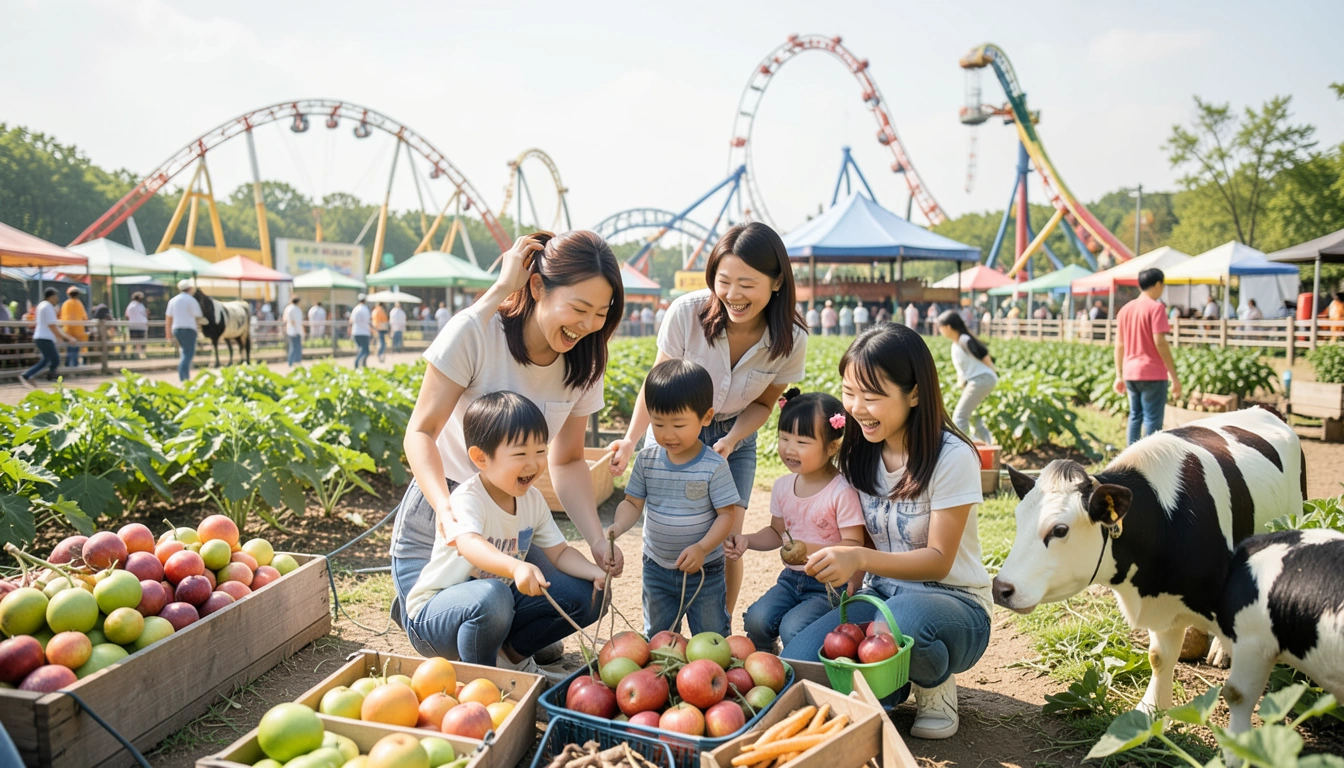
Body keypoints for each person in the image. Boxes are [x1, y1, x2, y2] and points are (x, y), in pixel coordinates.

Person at [390, 231, 623, 675]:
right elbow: (420, 431)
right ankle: (433, 615)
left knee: (584, 593)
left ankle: (510, 656)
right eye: (578, 308)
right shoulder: (476, 331)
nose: (588, 325)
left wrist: (596, 539)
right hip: (445, 511)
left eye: (601, 313)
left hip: (509, 519)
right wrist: (445, 509)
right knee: (489, 602)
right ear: (537, 287)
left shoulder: (587, 360)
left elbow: (569, 459)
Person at [782, 323, 991, 740]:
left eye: (872, 396)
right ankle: (889, 687)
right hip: (881, 598)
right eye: (849, 392)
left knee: (904, 624)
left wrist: (858, 558)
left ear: (914, 393)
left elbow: (939, 559)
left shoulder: (952, 456)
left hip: (953, 604)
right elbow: (853, 532)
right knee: (795, 668)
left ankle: (934, 684)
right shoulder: (861, 450)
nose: (858, 408)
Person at [610, 222, 807, 618]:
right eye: (724, 281)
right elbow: (656, 387)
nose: (733, 295)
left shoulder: (791, 338)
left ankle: (721, 630)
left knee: (729, 537)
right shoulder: (686, 313)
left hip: (736, 434)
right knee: (664, 523)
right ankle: (660, 625)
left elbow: (765, 403)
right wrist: (632, 440)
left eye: (747, 283)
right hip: (671, 428)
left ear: (777, 281)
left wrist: (732, 439)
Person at [402, 391, 608, 667]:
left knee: (589, 596)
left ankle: (511, 658)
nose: (533, 463)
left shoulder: (531, 500)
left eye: (540, 451)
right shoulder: (468, 498)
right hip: (434, 618)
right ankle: (480, 676)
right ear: (481, 458)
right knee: (495, 595)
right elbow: (469, 544)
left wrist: (594, 572)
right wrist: (515, 567)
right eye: (520, 453)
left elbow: (559, 553)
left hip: (491, 609)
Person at [605, 360, 740, 636]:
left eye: (678, 424)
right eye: (658, 423)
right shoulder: (646, 461)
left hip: (705, 572)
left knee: (711, 636)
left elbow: (727, 515)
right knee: (659, 638)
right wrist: (616, 528)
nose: (667, 434)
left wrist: (702, 548)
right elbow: (632, 503)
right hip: (657, 569)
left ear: (706, 417)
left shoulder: (714, 466)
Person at [726, 389, 864, 651]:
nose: (789, 448)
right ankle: (768, 664)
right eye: (784, 438)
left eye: (802, 442)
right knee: (757, 620)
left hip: (829, 585)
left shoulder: (841, 491)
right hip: (791, 579)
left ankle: (801, 670)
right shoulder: (783, 487)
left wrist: (810, 551)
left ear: (832, 446)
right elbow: (777, 532)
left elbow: (854, 543)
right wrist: (747, 540)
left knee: (794, 627)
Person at [1114, 268, 1181, 445]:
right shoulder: (1157, 308)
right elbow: (1159, 341)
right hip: (1152, 372)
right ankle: (1149, 464)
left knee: (1135, 417)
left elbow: (1119, 345)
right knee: (1152, 419)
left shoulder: (1125, 310)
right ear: (1158, 284)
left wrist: (1118, 375)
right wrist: (1174, 377)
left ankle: (1130, 459)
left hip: (1130, 372)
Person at [937, 310, 997, 444]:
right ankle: (987, 443)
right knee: (973, 415)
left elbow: (984, 354)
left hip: (982, 379)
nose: (940, 331)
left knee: (959, 417)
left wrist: (993, 371)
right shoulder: (956, 344)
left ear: (947, 327)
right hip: (976, 380)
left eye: (940, 328)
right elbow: (962, 369)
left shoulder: (964, 339)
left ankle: (968, 446)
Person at [19, 288, 73, 388]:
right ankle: (48, 376)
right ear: (51, 297)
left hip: (41, 336)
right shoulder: (48, 307)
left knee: (47, 359)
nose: (57, 299)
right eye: (56, 296)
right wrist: (66, 337)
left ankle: (30, 375)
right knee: (55, 360)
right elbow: (52, 326)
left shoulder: (41, 305)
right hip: (45, 337)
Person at [165, 279, 204, 382]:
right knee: (188, 354)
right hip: (189, 329)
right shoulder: (191, 300)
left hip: (177, 329)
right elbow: (198, 315)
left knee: (184, 352)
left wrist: (168, 334)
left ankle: (184, 376)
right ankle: (184, 377)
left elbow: (168, 318)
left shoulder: (173, 300)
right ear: (189, 289)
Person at [59, 286, 88, 367]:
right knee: (75, 349)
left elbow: (61, 316)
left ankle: (68, 365)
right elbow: (85, 317)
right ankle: (74, 366)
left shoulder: (65, 304)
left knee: (68, 349)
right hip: (78, 330)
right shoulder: (79, 304)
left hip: (67, 330)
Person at [350, 294, 372, 369]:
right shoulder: (365, 309)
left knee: (360, 349)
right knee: (365, 351)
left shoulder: (355, 309)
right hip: (364, 332)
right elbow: (368, 321)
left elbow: (351, 320)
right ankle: (358, 363)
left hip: (355, 332)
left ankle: (363, 364)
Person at [125, 292, 149, 358]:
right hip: (142, 326)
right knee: (142, 341)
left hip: (132, 325)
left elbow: (127, 315)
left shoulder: (130, 306)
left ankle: (135, 354)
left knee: (134, 341)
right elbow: (145, 314)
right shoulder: (141, 306)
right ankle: (142, 354)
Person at [283, 296, 305, 366]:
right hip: (296, 331)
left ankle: (291, 362)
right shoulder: (296, 309)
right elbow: (296, 321)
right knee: (296, 348)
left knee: (292, 347)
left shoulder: (288, 308)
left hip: (290, 330)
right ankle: (295, 362)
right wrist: (299, 330)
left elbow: (285, 319)